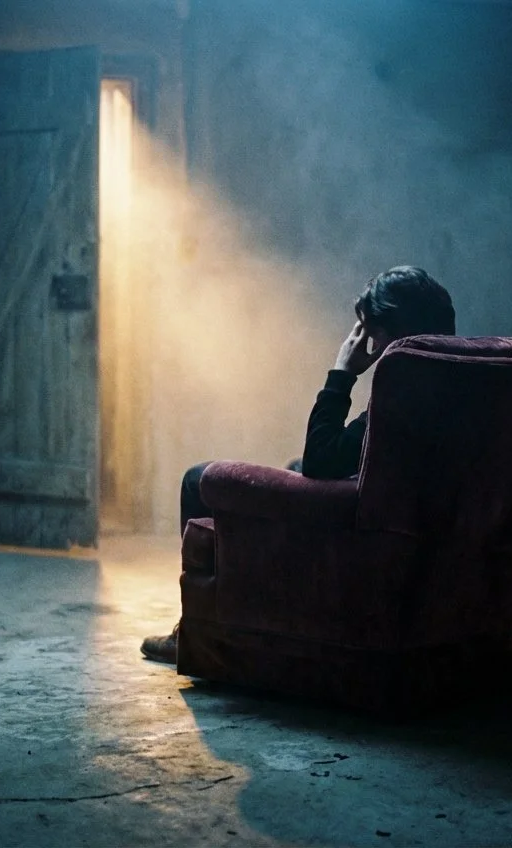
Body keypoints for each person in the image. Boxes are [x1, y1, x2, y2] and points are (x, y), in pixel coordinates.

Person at [140, 265, 457, 663]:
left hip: (367, 532)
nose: (368, 344)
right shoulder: (458, 370)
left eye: (371, 332)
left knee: (196, 480)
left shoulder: (405, 385)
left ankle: (199, 631)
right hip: (421, 524)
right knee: (295, 464)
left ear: (391, 332)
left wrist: (342, 372)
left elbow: (323, 461)